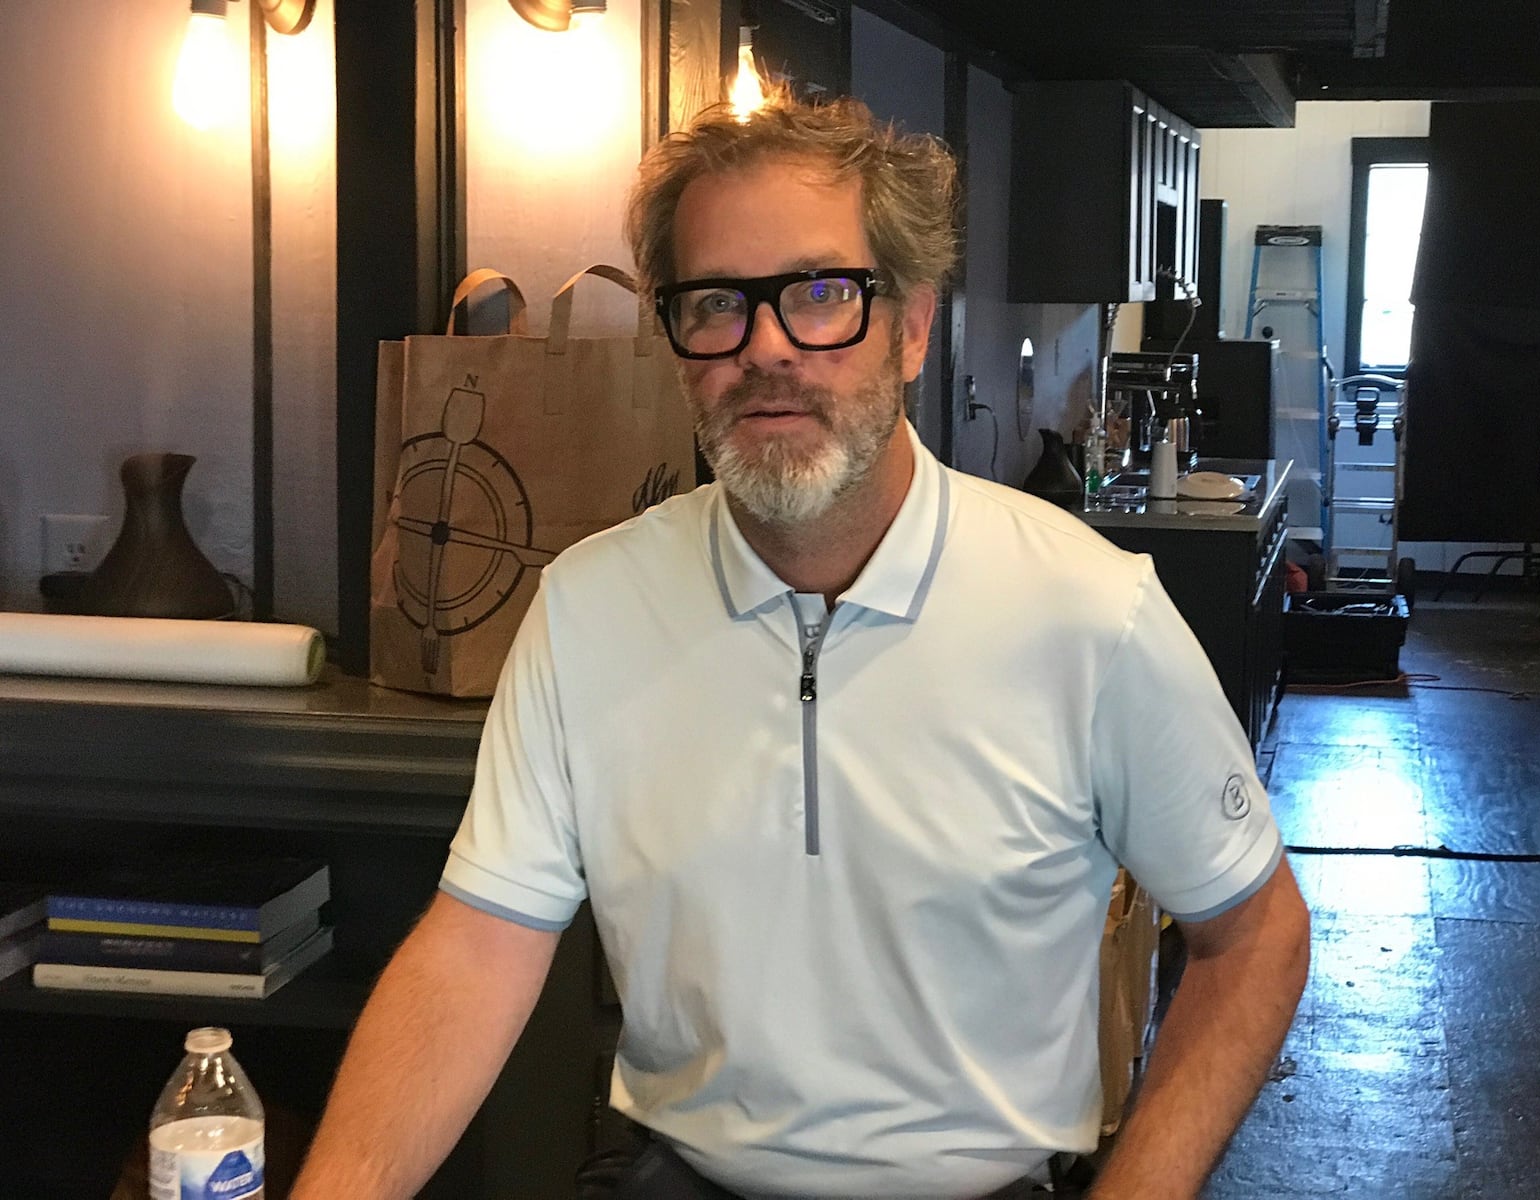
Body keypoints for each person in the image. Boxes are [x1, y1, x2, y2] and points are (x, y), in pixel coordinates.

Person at [292, 94, 1309, 1200]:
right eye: (716, 302)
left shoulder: (1087, 615)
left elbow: (1253, 932)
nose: (765, 346)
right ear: (677, 339)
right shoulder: (590, 607)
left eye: (823, 294)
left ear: (912, 325)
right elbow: (480, 942)